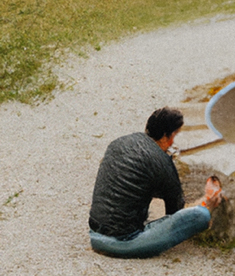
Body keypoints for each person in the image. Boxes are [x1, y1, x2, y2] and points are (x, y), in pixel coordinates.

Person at [88, 107, 222, 258]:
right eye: (175, 135)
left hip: (94, 233)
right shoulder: (162, 161)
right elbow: (175, 214)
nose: (174, 142)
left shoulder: (118, 143)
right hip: (122, 242)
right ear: (166, 136)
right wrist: (205, 202)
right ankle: (208, 202)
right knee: (201, 216)